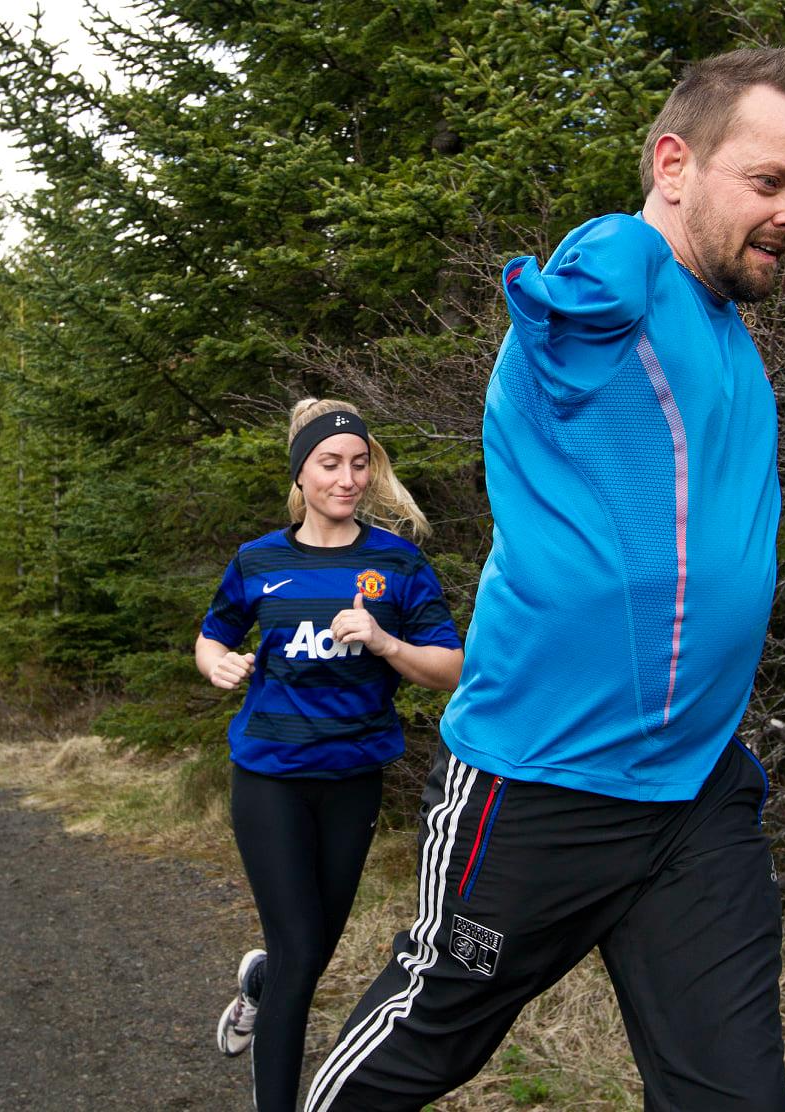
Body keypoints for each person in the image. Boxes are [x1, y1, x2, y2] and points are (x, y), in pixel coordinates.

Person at [304, 48, 785, 1112]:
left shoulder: (724, 331)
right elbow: (582, 285)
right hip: (541, 782)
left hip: (692, 795)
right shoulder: (623, 268)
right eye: (768, 183)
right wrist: (598, 268)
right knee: (422, 1041)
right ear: (673, 163)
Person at [196, 398, 464, 1112]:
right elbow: (213, 633)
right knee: (298, 954)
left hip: (352, 780)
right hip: (270, 777)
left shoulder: (396, 563)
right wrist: (216, 663)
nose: (346, 480)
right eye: (329, 465)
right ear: (301, 472)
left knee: (309, 955)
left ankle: (258, 988)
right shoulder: (258, 560)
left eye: (358, 465)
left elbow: (449, 668)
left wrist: (384, 643)